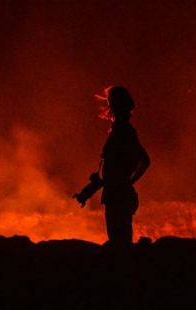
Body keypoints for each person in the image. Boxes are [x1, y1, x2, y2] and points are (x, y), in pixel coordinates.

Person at [74, 86, 150, 249]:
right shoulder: (121, 131)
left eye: (111, 103)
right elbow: (110, 172)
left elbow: (144, 161)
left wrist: (127, 183)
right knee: (119, 243)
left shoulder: (124, 131)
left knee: (119, 245)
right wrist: (89, 190)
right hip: (116, 194)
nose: (110, 108)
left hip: (118, 197)